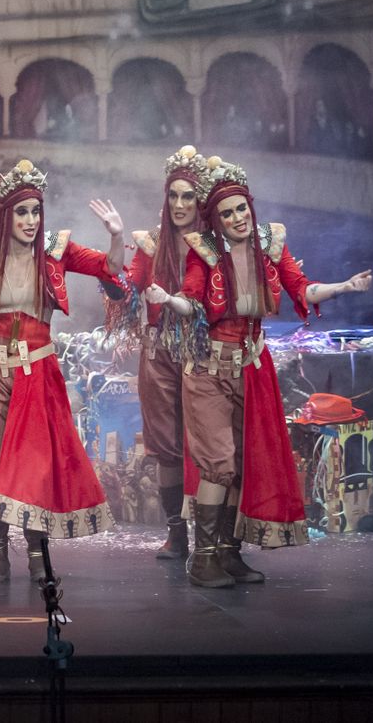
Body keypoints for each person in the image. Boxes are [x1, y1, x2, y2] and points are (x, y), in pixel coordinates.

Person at [145, 155, 372, 587]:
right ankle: (202, 557)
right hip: (209, 370)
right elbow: (191, 301)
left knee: (244, 464)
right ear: (216, 220)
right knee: (218, 464)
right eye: (227, 213)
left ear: (251, 207)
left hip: (251, 367)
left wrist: (344, 287)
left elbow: (301, 288)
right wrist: (167, 299)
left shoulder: (270, 244)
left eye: (241, 209)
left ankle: (229, 554)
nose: (237, 218)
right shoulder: (204, 253)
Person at [0, 160, 123, 584]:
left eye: (35, 211)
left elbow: (109, 268)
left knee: (33, 464)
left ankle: (39, 558)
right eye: (21, 212)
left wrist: (116, 235)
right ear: (4, 216)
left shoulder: (56, 250)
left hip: (35, 370)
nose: (30, 220)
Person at [120, 145, 207, 560]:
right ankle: (178, 533)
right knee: (167, 448)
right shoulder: (151, 245)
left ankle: (215, 537)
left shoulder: (214, 246)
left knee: (210, 445)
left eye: (188, 196)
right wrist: (112, 249)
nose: (178, 204)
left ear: (200, 200)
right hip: (158, 356)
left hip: (205, 356)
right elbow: (127, 287)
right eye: (172, 196)